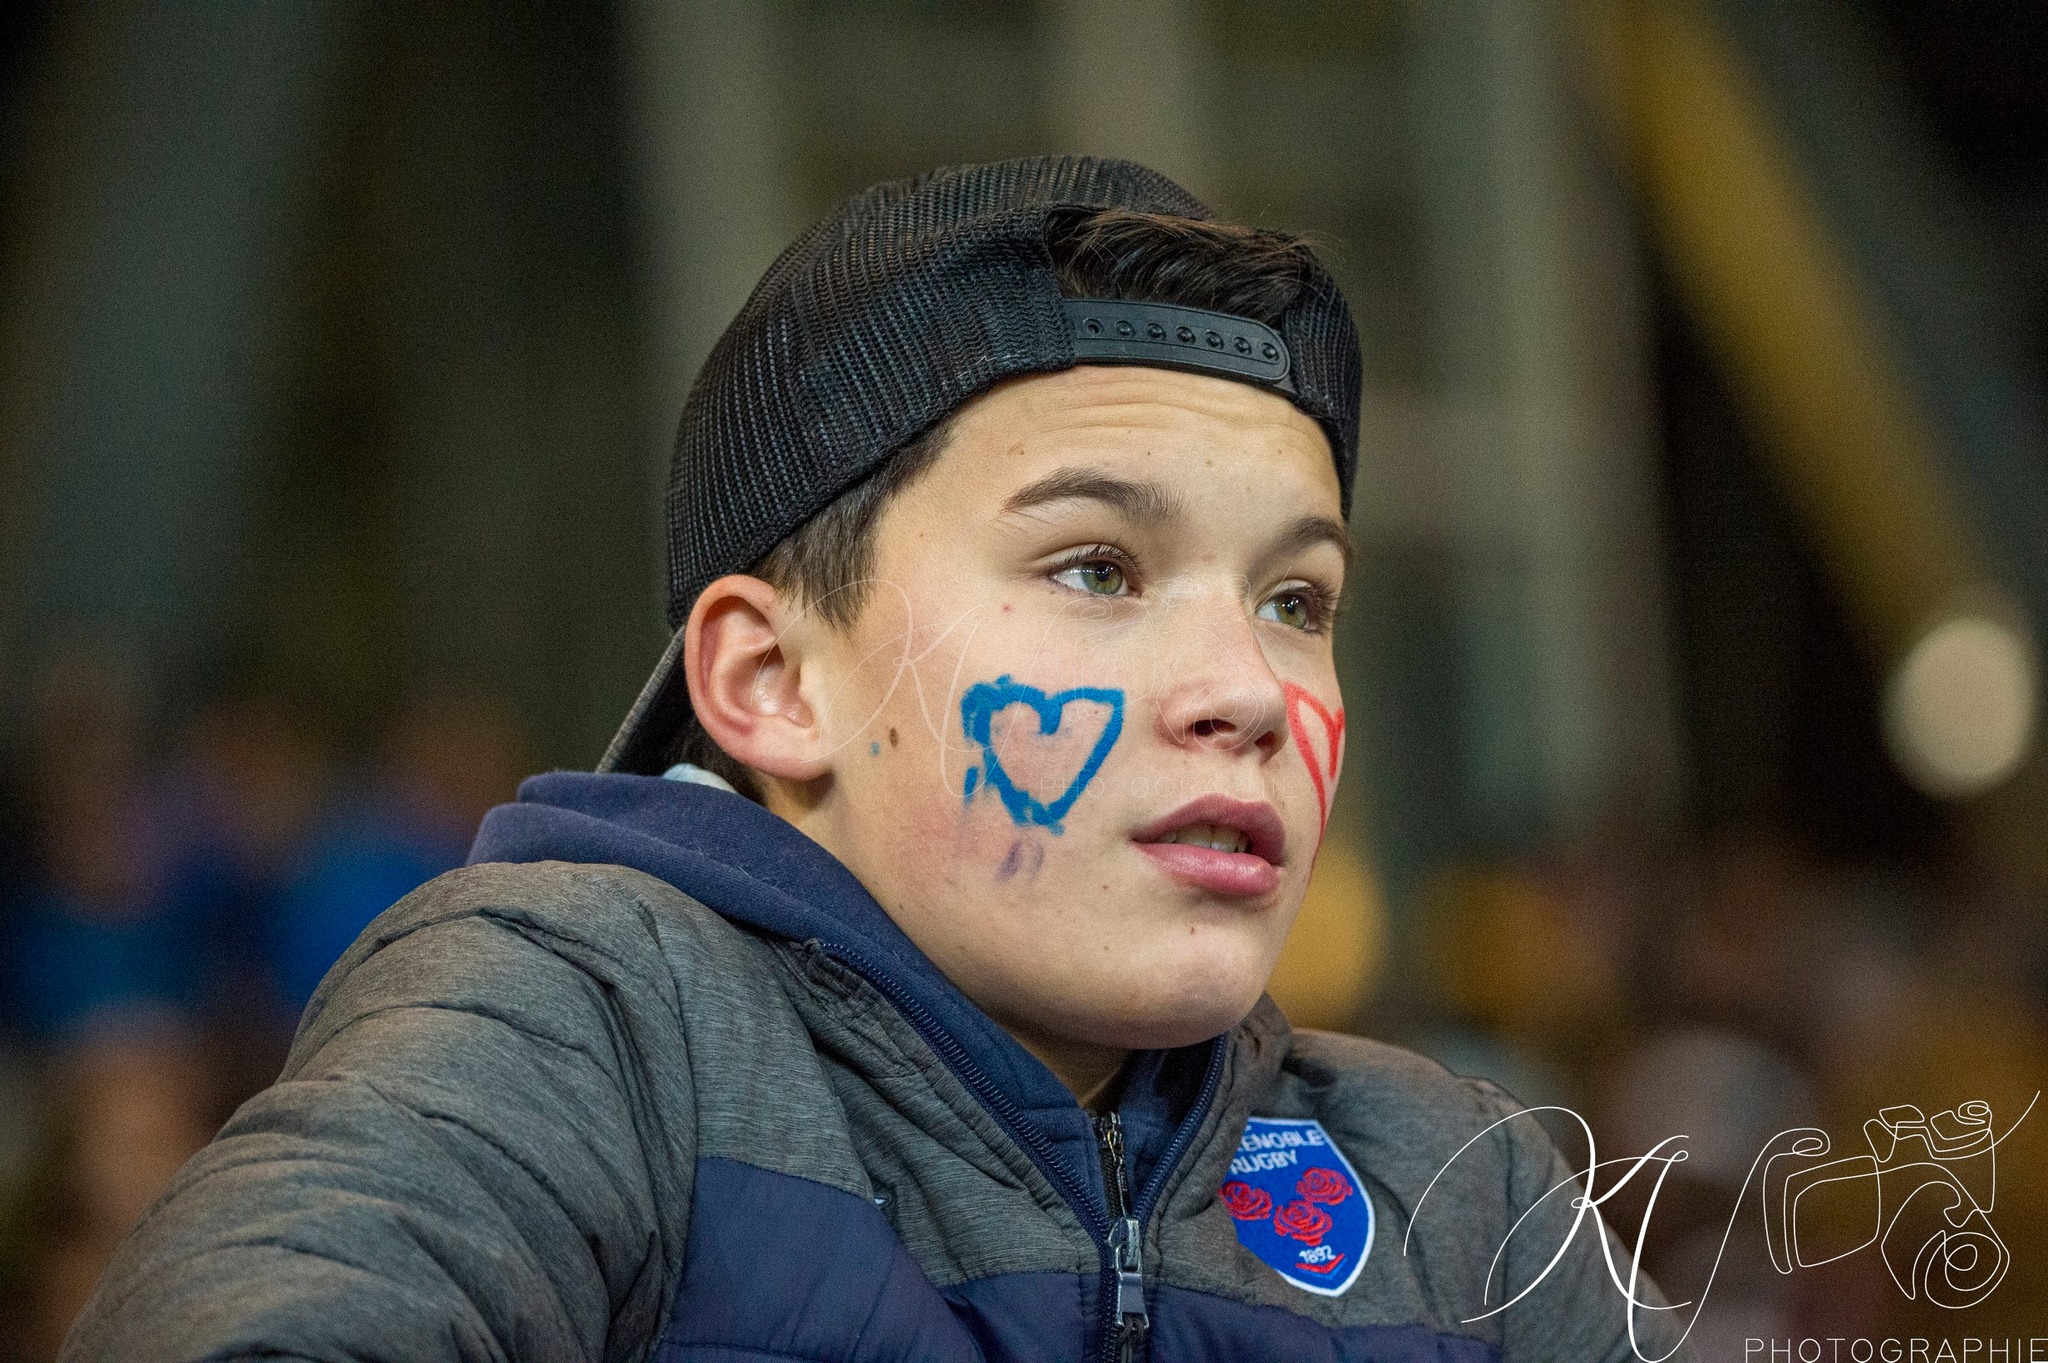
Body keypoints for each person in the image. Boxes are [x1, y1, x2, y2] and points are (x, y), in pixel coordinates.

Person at [62, 157, 1693, 1362]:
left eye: (1296, 597)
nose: (1248, 691)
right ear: (771, 682)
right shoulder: (585, 1023)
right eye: (1096, 569)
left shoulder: (1454, 1184)